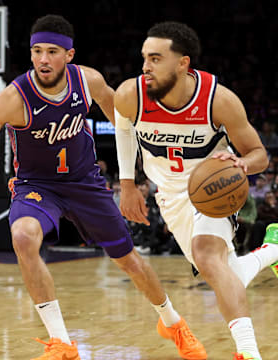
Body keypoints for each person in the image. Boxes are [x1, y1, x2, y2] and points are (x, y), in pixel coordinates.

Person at [0, 15, 206, 360]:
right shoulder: (14, 97)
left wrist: (144, 173)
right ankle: (61, 343)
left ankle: (172, 322)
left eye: (52, 51)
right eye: (36, 51)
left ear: (69, 55)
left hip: (85, 183)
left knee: (129, 260)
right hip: (37, 186)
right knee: (23, 236)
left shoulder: (89, 81)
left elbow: (127, 123)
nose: (42, 59)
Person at [114, 21, 278, 360]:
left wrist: (241, 164)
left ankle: (248, 353)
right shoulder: (131, 94)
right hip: (169, 195)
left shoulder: (219, 100)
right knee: (222, 273)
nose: (145, 66)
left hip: (215, 190)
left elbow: (259, 154)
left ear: (183, 63)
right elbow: (124, 130)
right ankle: (272, 249)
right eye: (145, 57)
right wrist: (127, 184)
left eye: (156, 58)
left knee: (207, 256)